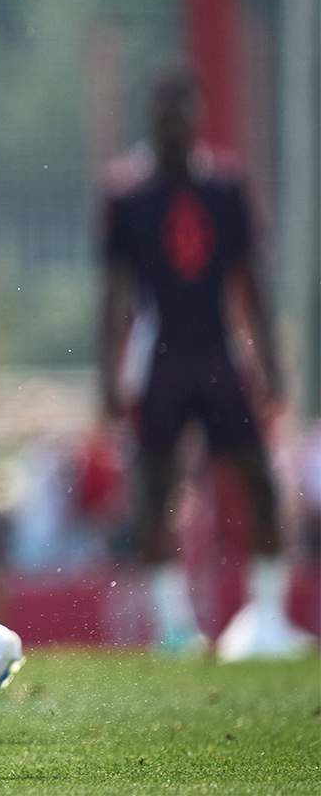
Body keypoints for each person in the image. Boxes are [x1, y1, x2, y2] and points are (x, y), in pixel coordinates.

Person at [99, 74, 314, 661]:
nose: (174, 124)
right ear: (152, 119)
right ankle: (173, 629)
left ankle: (265, 620)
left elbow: (253, 283)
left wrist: (270, 364)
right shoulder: (128, 194)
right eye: (164, 113)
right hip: (158, 359)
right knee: (156, 492)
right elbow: (114, 295)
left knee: (261, 487)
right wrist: (107, 376)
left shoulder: (226, 188)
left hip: (220, 354)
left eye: (182, 112)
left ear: (198, 117)